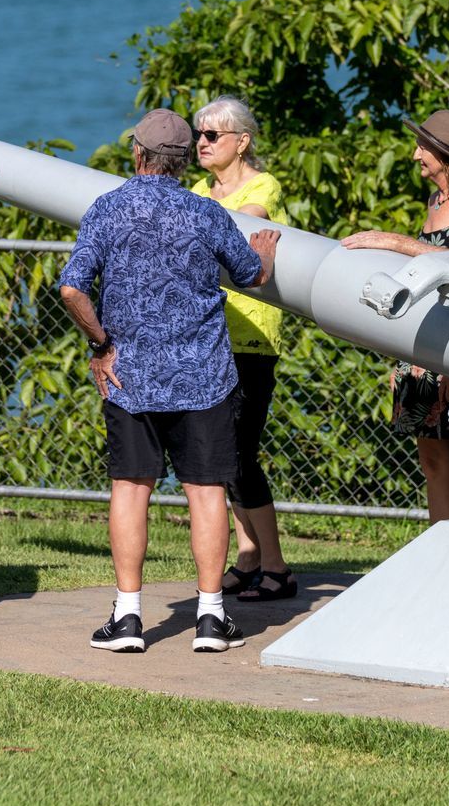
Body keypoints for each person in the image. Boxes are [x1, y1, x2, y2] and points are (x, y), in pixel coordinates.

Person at [58, 108, 281, 654]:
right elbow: (251, 275)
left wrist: (101, 344)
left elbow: (71, 289)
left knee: (131, 489)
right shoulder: (206, 212)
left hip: (129, 376)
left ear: (137, 154)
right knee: (205, 493)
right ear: (184, 161)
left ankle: (128, 617)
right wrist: (266, 256)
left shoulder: (108, 209)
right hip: (204, 375)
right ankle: (210, 617)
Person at [340, 109, 449, 522]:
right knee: (433, 463)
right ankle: (443, 553)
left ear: (445, 155)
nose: (415, 155)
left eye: (423, 148)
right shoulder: (435, 200)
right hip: (424, 345)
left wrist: (398, 242)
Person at [190, 97, 293, 602]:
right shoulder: (197, 191)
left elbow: (233, 227)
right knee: (221, 455)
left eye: (212, 135)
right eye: (199, 134)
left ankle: (275, 564)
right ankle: (249, 556)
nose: (202, 143)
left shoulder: (262, 186)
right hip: (209, 337)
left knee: (241, 455)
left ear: (242, 141)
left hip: (250, 338)